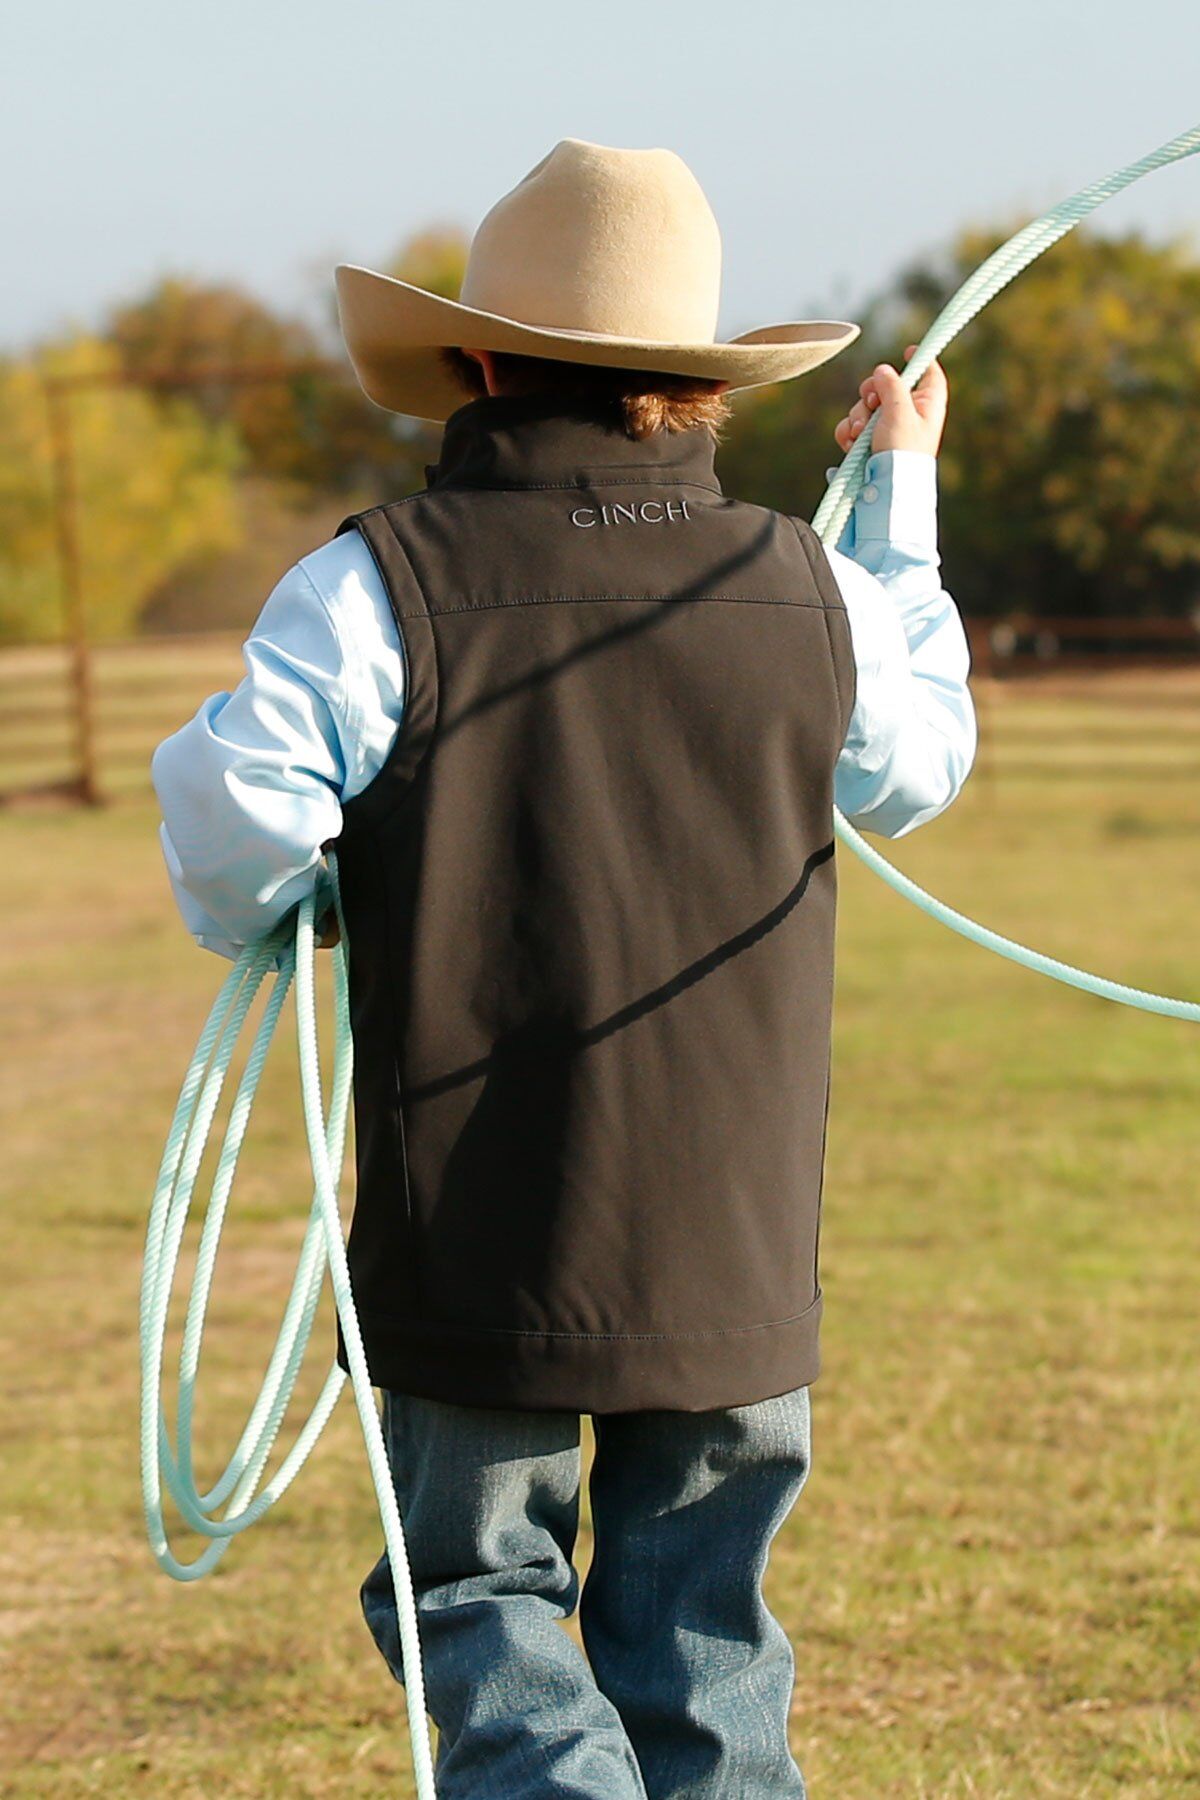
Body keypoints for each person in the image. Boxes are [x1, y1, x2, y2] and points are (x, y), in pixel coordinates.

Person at [152, 138, 975, 1799]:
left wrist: (324, 883)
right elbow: (919, 762)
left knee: (485, 1608)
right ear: (698, 383)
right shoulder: (808, 586)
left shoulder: (373, 589)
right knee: (706, 1648)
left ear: (471, 363)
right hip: (730, 1248)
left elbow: (237, 822)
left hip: (478, 1242)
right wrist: (902, 498)